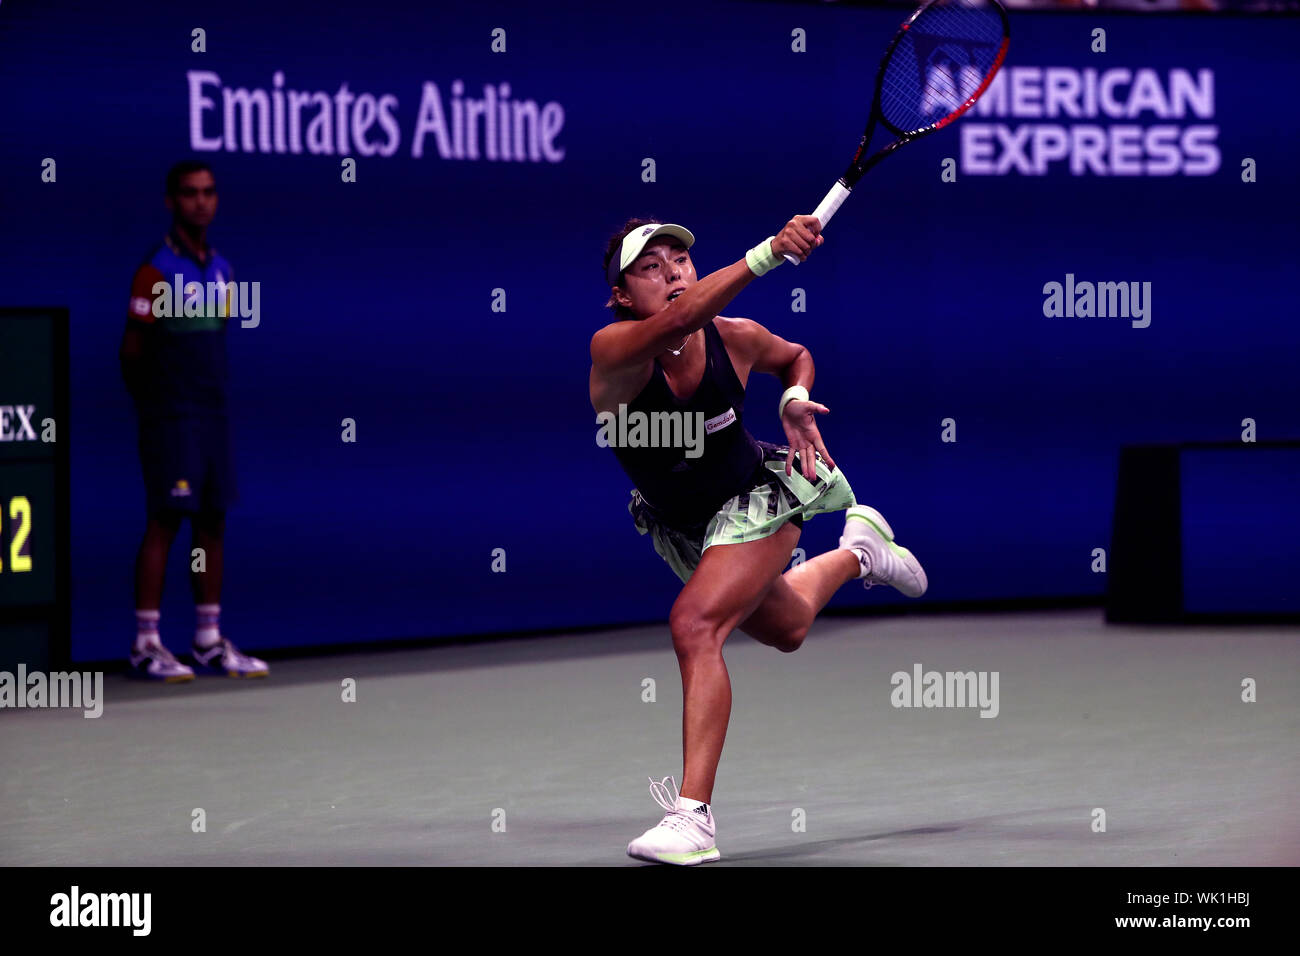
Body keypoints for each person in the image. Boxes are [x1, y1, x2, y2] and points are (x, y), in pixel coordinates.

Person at [590, 216, 927, 864]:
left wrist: (795, 398)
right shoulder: (614, 353)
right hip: (685, 526)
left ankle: (693, 818)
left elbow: (793, 355)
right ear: (624, 297)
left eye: (680, 260)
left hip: (758, 496)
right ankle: (862, 550)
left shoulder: (735, 338)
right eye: (650, 266)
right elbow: (674, 324)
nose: (673, 272)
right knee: (789, 626)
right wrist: (770, 252)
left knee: (694, 624)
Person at [119, 160, 267, 681]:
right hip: (171, 417)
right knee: (165, 520)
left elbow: (216, 335)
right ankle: (146, 641)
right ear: (171, 201)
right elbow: (132, 352)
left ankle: (206, 639)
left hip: (213, 415)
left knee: (211, 521)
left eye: (208, 193)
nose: (200, 202)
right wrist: (159, 407)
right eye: (189, 193)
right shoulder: (154, 270)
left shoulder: (224, 269)